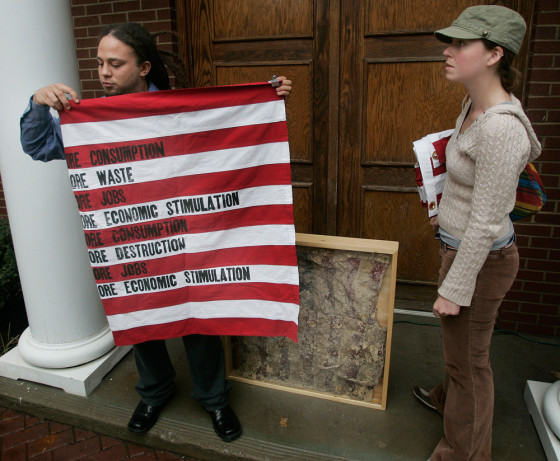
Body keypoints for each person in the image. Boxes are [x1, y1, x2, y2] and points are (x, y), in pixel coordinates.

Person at [20, 22, 292, 442]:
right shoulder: (86, 121)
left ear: (144, 66)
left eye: (115, 63)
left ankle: (214, 399)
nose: (103, 72)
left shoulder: (183, 110)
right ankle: (154, 391)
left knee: (201, 317)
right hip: (130, 237)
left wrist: (266, 98)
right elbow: (37, 147)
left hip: (194, 237)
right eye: (99, 64)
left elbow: (237, 122)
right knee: (140, 314)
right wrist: (38, 104)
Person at [411, 6, 541, 461]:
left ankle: (463, 453)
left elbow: (487, 223)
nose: (448, 51)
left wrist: (456, 287)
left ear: (493, 55)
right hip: (461, 247)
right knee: (461, 354)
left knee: (470, 365)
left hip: (480, 263)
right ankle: (449, 400)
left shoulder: (502, 130)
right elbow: (475, 189)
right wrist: (442, 207)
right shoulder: (474, 104)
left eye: (461, 43)